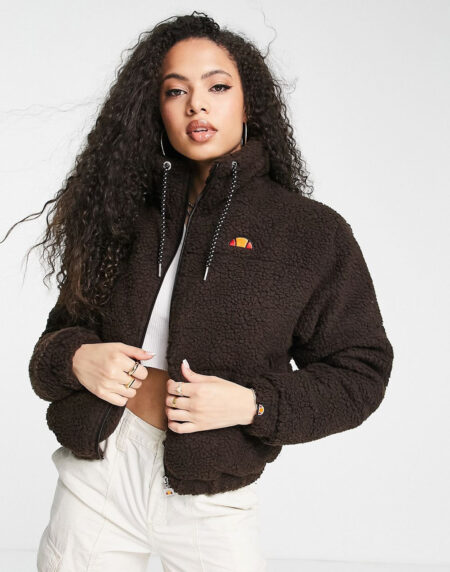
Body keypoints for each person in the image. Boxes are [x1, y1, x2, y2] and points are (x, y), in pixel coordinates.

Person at [4, 11, 393, 572]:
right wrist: (77, 358)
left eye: (217, 87)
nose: (196, 106)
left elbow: (360, 373)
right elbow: (52, 349)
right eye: (175, 91)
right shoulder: (120, 212)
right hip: (97, 479)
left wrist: (253, 404)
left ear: (249, 103)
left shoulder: (310, 232)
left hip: (210, 500)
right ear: (156, 108)